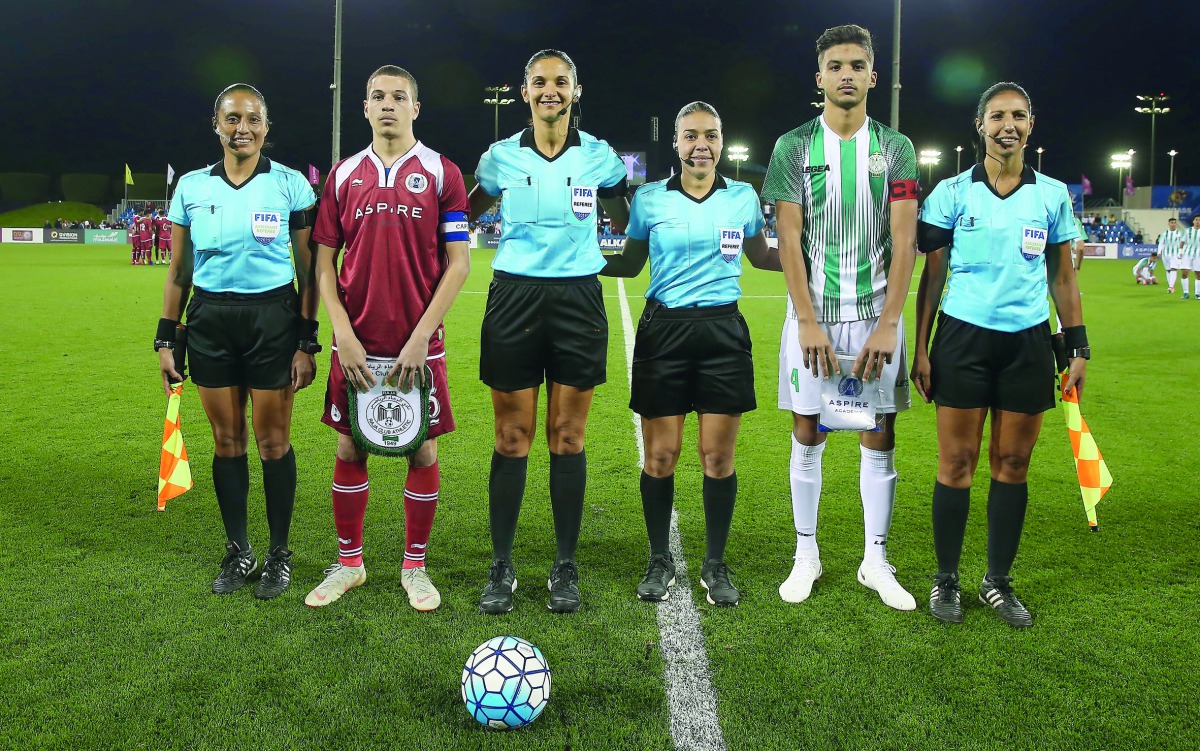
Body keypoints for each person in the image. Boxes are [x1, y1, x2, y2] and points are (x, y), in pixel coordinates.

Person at [911, 81, 1086, 628]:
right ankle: (946, 580)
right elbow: (931, 276)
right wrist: (920, 348)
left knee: (1013, 464)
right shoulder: (950, 193)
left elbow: (1062, 275)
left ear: (1031, 125)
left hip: (1028, 343)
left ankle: (997, 581)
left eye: (1017, 116)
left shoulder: (1053, 195)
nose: (1006, 126)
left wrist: (1076, 343)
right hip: (961, 339)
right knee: (956, 463)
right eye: (996, 117)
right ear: (980, 126)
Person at [761, 24, 920, 611]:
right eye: (836, 65)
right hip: (814, 318)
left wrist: (888, 322)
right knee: (808, 431)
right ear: (820, 77)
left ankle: (874, 560)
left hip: (877, 315)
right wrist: (806, 320)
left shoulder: (896, 149)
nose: (846, 74)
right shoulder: (792, 147)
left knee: (879, 436)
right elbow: (789, 235)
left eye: (857, 64)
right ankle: (808, 554)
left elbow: (904, 244)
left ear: (873, 76)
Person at [467, 49, 630, 614]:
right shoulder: (499, 158)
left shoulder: (601, 157)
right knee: (512, 437)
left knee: (567, 435)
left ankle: (564, 564)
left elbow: (626, 217)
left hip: (578, 299)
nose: (550, 91)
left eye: (561, 82)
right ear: (524, 91)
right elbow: (465, 210)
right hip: (513, 295)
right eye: (540, 83)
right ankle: (502, 564)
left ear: (576, 91)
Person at [305, 65, 470, 612]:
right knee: (350, 443)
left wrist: (422, 335)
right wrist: (342, 334)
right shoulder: (342, 175)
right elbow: (324, 266)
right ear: (365, 107)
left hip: (418, 343)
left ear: (415, 107)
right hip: (356, 340)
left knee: (421, 447)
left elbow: (459, 263)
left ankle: (414, 567)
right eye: (378, 96)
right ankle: (349, 564)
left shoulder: (442, 172)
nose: (388, 105)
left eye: (399, 96)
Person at [601, 101, 778, 606]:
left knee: (717, 457)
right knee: (661, 456)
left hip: (723, 331)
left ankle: (715, 564)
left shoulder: (743, 197)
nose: (702, 145)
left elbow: (761, 256)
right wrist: (576, 259)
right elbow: (631, 264)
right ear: (676, 143)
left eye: (712, 136)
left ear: (722, 142)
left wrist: (813, 254)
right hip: (665, 331)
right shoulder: (651, 200)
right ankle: (660, 559)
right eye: (691, 136)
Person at [157, 83, 319, 599]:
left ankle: (278, 554)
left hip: (273, 318)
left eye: (252, 119)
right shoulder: (190, 187)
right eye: (231, 118)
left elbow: (310, 272)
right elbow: (179, 271)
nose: (241, 127)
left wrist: (306, 341)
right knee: (227, 442)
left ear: (266, 128)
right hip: (209, 319)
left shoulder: (291, 185)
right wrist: (166, 338)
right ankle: (238, 550)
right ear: (216, 125)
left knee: (273, 442)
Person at [1178, 215, 1200, 299]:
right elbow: (1182, 242)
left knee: (1198, 274)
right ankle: (1185, 293)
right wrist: (1180, 251)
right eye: (1196, 220)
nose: (1198, 221)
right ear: (1193, 221)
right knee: (1184, 273)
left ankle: (1197, 294)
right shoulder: (1187, 231)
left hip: (1198, 255)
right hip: (1187, 254)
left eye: (1199, 220)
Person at [1160, 218, 1184, 293]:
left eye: (1174, 223)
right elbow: (1161, 243)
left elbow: (1183, 243)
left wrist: (1181, 252)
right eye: (1172, 222)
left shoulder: (1180, 233)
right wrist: (1159, 252)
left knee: (1174, 268)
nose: (1173, 224)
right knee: (1168, 270)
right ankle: (1170, 285)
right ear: (1169, 224)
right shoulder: (1164, 233)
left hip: (1175, 254)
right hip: (1165, 254)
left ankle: (1171, 286)